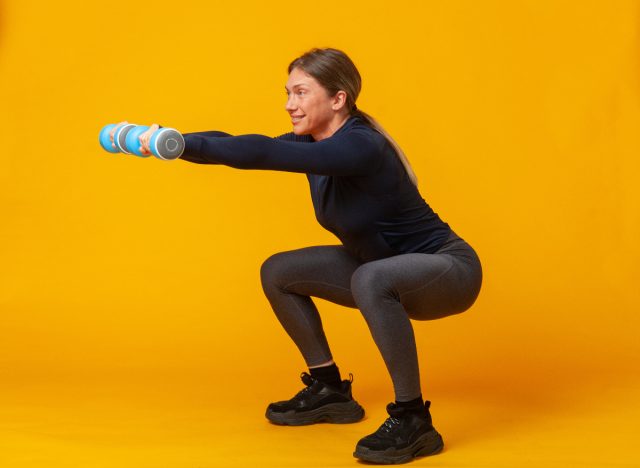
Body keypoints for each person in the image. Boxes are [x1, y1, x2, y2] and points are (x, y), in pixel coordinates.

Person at [117, 47, 483, 464]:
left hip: (448, 271)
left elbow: (262, 154)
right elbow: (240, 146)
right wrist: (172, 141)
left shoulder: (361, 145)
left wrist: (181, 144)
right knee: (279, 271)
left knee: (371, 278)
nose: (290, 104)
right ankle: (329, 390)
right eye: (287, 93)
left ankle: (414, 419)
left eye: (301, 92)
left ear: (337, 99)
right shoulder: (315, 145)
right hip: (379, 267)